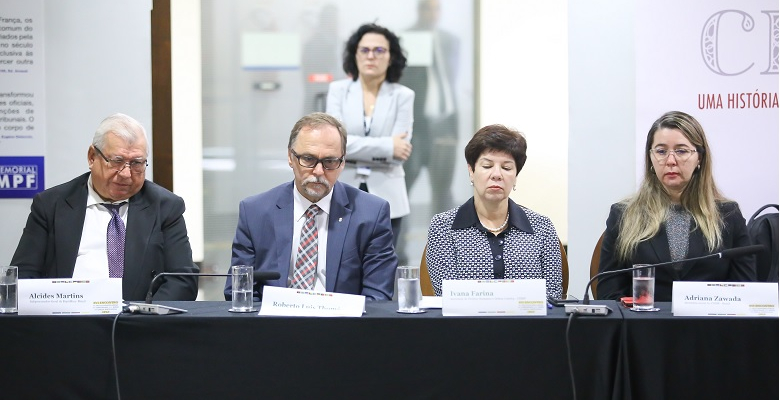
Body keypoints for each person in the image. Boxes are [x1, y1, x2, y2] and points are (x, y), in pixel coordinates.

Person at [10, 113, 199, 301]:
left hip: (139, 318)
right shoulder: (51, 205)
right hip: (67, 316)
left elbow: (182, 280)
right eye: (117, 161)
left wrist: (145, 314)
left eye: (136, 163)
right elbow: (24, 276)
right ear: (92, 157)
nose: (126, 174)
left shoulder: (166, 207)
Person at [225, 112, 397, 301]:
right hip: (275, 318)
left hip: (342, 319)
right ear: (290, 157)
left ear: (342, 162)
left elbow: (377, 297)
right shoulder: (255, 212)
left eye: (330, 161)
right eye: (308, 159)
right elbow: (239, 292)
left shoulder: (371, 214)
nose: (318, 171)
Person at [597, 111, 756, 301]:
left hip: (708, 320)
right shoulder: (624, 215)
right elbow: (608, 294)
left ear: (699, 158)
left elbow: (745, 293)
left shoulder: (728, 215)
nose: (671, 161)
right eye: (661, 151)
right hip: (643, 319)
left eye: (681, 151)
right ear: (650, 158)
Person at [425, 124, 563, 298]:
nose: (496, 174)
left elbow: (553, 295)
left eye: (506, 168)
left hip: (529, 317)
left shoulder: (542, 227)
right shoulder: (443, 226)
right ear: (471, 171)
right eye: (487, 166)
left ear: (515, 176)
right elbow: (448, 296)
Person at [326, 23, 414, 248]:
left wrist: (352, 149)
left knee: (382, 263)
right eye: (364, 50)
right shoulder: (338, 91)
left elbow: (400, 152)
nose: (371, 56)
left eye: (379, 50)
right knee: (340, 261)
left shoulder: (403, 95)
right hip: (342, 191)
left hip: (389, 197)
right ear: (355, 54)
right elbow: (334, 145)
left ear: (391, 57)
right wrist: (387, 147)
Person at [401, 0, 460, 214]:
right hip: (417, 125)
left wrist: (454, 127)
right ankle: (400, 235)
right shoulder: (407, 39)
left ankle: (442, 236)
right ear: (420, 10)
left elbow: (450, 81)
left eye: (437, 9)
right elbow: (405, 81)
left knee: (443, 191)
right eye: (429, 9)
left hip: (445, 123)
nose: (433, 14)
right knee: (405, 186)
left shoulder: (450, 40)